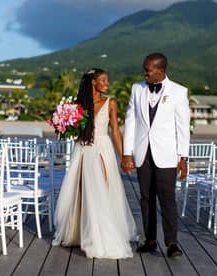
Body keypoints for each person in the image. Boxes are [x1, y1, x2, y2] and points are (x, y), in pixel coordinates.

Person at [52, 68, 137, 259]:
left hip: (102, 149)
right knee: (82, 191)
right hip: (83, 150)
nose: (107, 84)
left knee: (102, 190)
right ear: (93, 82)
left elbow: (115, 131)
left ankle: (100, 237)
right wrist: (64, 125)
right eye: (104, 80)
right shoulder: (78, 105)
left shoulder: (110, 102)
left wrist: (125, 156)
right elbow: (73, 131)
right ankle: (83, 234)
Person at [121, 53, 190, 258]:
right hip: (143, 153)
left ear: (159, 71)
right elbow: (130, 121)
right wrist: (127, 153)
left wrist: (183, 158)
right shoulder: (137, 89)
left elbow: (183, 127)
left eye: (147, 70)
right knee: (146, 197)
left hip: (167, 155)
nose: (144, 73)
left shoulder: (178, 92)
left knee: (168, 198)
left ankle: (172, 243)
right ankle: (150, 240)